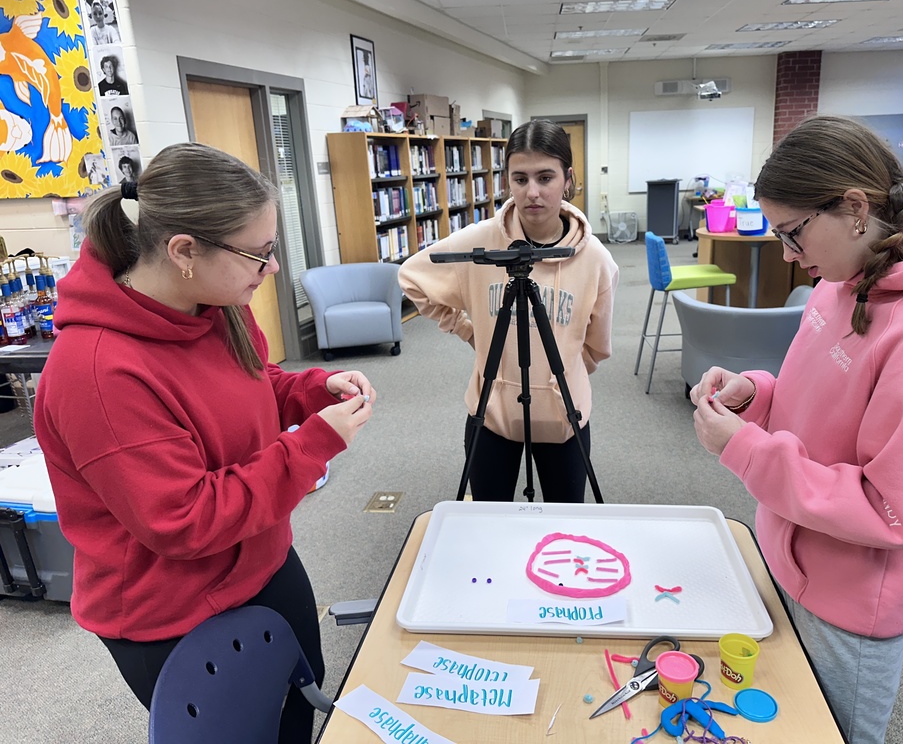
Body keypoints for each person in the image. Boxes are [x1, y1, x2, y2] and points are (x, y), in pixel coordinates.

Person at [689, 116, 903, 744]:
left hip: (851, 601)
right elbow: (823, 411)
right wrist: (757, 396)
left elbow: (895, 511)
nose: (786, 254)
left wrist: (746, 451)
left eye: (792, 234)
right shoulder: (840, 281)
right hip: (793, 558)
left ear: (855, 208)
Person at [33, 142, 376, 743]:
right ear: (184, 251)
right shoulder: (97, 371)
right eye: (259, 254)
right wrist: (310, 448)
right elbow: (184, 521)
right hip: (173, 611)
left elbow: (255, 383)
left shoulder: (217, 302)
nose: (270, 270)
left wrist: (312, 389)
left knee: (296, 711)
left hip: (261, 560)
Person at [399, 119, 618, 503]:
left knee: (565, 527)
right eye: (520, 179)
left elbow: (596, 349)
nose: (532, 192)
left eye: (545, 177)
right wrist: (469, 331)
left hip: (563, 415)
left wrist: (557, 370)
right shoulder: (481, 241)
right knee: (487, 519)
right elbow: (412, 277)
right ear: (507, 181)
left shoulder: (596, 259)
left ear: (568, 179)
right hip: (492, 414)